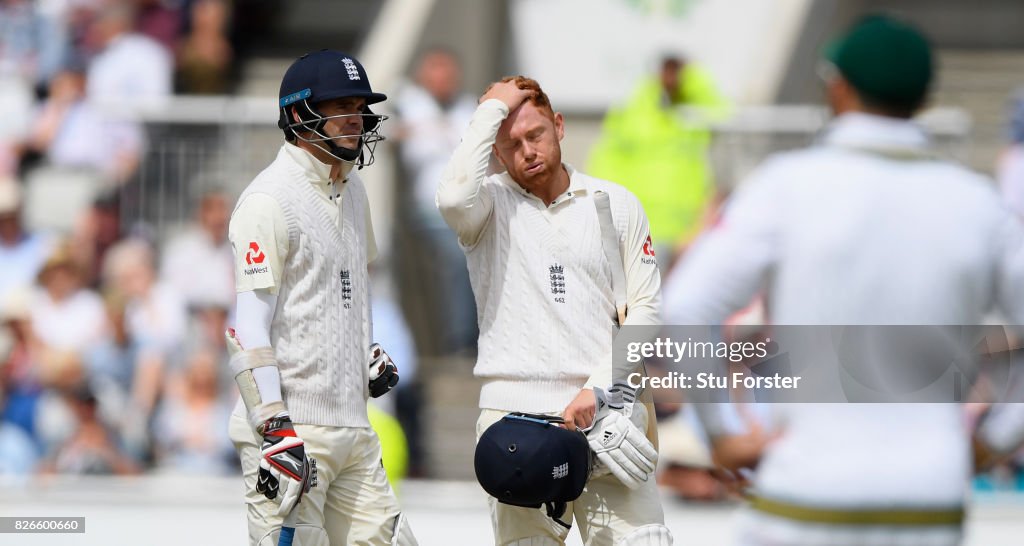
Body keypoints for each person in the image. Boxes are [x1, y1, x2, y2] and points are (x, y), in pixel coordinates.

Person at [663, 15, 1024, 545]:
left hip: (805, 493)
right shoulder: (977, 203)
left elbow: (688, 305)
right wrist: (995, 440)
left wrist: (722, 435)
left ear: (840, 87)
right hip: (926, 501)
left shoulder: (787, 185)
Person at [437, 76, 671, 545]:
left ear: (559, 126)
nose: (527, 151)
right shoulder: (486, 208)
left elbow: (646, 309)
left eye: (536, 134)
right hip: (516, 421)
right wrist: (490, 112)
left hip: (606, 416)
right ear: (496, 154)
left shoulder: (614, 204)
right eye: (513, 144)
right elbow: (451, 197)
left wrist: (600, 387)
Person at [225, 50, 416, 546]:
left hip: (353, 425)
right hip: (294, 430)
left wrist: (365, 351)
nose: (356, 118)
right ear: (298, 114)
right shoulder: (268, 200)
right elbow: (247, 327)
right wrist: (273, 428)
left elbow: (346, 291)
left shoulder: (355, 192)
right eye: (340, 106)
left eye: (360, 105)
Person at [588, 55, 729, 266]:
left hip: (688, 230)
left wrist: (692, 80)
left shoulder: (692, 113)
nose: (671, 78)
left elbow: (724, 116)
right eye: (668, 71)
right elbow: (605, 160)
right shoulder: (635, 109)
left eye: (677, 72)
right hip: (641, 227)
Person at [392, 47, 478, 356]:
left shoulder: (470, 107)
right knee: (458, 260)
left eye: (447, 72)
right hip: (429, 210)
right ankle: (460, 342)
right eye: (435, 71)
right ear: (422, 76)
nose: (442, 79)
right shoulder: (407, 105)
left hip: (470, 209)